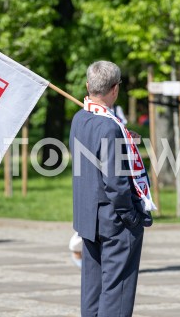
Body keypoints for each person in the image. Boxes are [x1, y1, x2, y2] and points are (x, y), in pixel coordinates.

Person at [69, 60, 153, 317]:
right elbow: (115, 182)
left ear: (88, 86)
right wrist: (131, 217)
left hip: (88, 215)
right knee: (117, 294)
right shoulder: (108, 126)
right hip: (113, 219)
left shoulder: (80, 117)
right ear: (115, 90)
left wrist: (125, 139)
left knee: (93, 291)